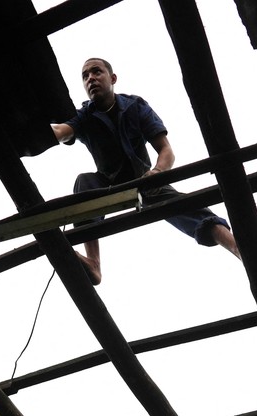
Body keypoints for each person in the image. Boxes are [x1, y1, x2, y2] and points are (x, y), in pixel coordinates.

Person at [51, 57, 241, 285]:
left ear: (112, 78)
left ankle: (238, 248)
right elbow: (63, 131)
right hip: (106, 183)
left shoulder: (134, 106)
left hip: (145, 180)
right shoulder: (85, 115)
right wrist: (34, 136)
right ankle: (94, 263)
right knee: (84, 183)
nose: (90, 78)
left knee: (192, 208)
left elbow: (166, 149)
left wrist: (158, 172)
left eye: (96, 72)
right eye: (85, 76)